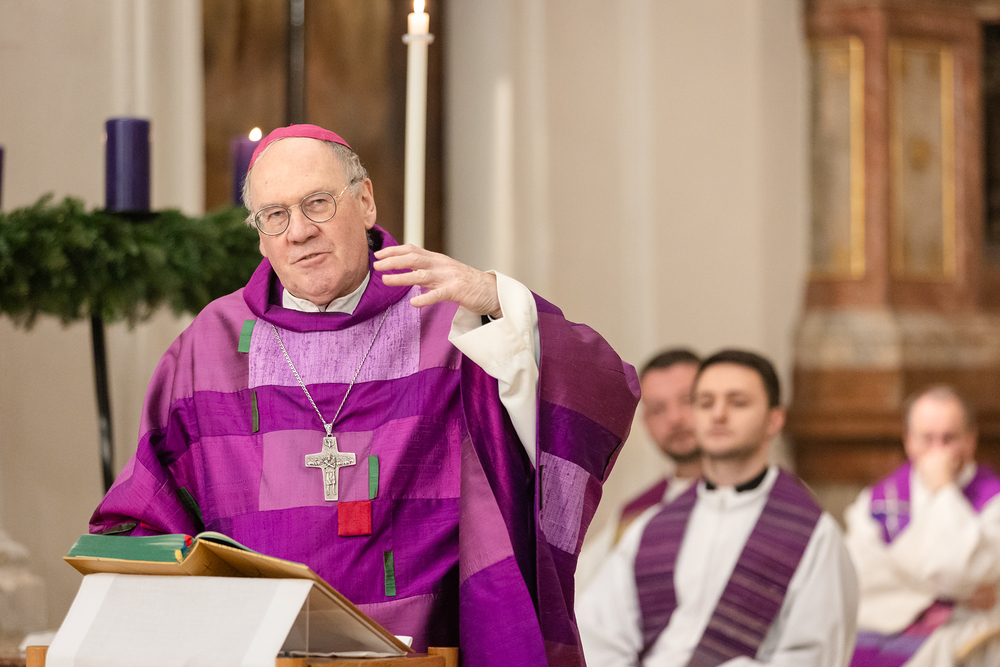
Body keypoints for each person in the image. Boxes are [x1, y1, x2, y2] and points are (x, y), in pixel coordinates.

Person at [88, 124, 640, 667]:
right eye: (275, 215)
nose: (298, 232)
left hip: (424, 653)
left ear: (366, 202)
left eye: (317, 203)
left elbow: (600, 387)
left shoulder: (447, 318)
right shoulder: (211, 343)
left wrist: (497, 300)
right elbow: (144, 510)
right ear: (259, 235)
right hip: (260, 656)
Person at [577, 349, 858, 666]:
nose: (718, 414)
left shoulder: (811, 534)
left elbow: (816, 654)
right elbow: (598, 634)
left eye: (738, 402)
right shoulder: (652, 526)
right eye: (705, 402)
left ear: (774, 419)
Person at [846, 385, 1000, 667]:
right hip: (881, 624)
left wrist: (943, 490)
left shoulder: (993, 499)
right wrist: (956, 592)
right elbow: (861, 576)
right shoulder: (880, 499)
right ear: (909, 441)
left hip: (960, 630)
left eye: (949, 438)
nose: (937, 450)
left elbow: (963, 569)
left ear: (971, 439)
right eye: (927, 438)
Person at [576, 349, 702, 593]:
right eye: (658, 409)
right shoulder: (633, 516)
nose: (674, 418)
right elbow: (580, 589)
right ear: (646, 423)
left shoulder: (761, 498)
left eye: (688, 400)